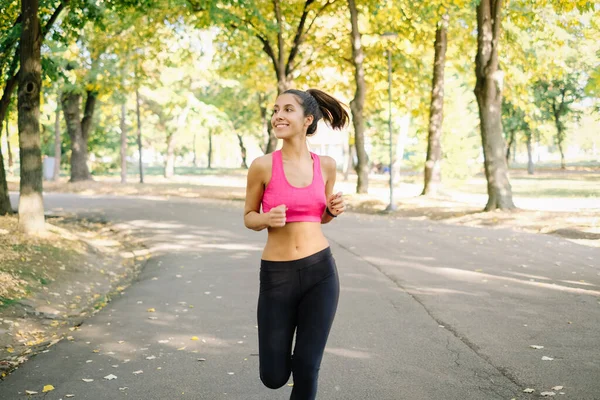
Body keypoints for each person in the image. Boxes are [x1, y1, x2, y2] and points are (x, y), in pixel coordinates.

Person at [243, 88, 349, 400]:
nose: (278, 116)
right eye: (275, 110)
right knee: (274, 377)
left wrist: (331, 210)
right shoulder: (262, 166)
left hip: (321, 273)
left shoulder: (326, 165)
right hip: (277, 277)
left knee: (306, 366)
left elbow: (321, 218)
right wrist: (266, 219)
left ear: (307, 120)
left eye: (287, 110)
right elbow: (249, 216)